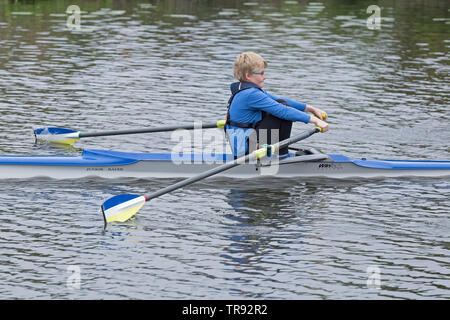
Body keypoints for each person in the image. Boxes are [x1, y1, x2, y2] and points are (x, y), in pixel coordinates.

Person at [225, 52, 329, 158]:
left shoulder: (244, 89)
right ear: (248, 76)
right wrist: (315, 120)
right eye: (261, 73)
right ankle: (281, 156)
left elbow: (279, 100)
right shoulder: (251, 94)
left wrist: (310, 108)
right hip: (246, 153)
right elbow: (282, 110)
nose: (264, 77)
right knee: (282, 110)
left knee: (282, 104)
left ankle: (278, 152)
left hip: (242, 145)